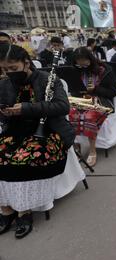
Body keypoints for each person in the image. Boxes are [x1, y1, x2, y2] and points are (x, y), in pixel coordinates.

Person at [0, 44, 75, 238]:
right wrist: (5, 112)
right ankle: (6, 208)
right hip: (16, 130)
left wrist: (25, 108)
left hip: (48, 130)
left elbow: (62, 106)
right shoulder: (5, 84)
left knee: (25, 157)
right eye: (4, 70)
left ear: (26, 63)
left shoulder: (47, 79)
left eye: (13, 68)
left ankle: (24, 210)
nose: (9, 73)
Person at [69, 47, 116, 167]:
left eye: (84, 62)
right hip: (81, 100)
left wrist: (96, 89)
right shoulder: (75, 70)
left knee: (89, 116)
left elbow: (113, 91)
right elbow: (74, 90)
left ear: (90, 59)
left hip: (102, 101)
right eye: (78, 63)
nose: (81, 65)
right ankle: (76, 148)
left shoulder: (104, 70)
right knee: (70, 114)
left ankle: (92, 150)